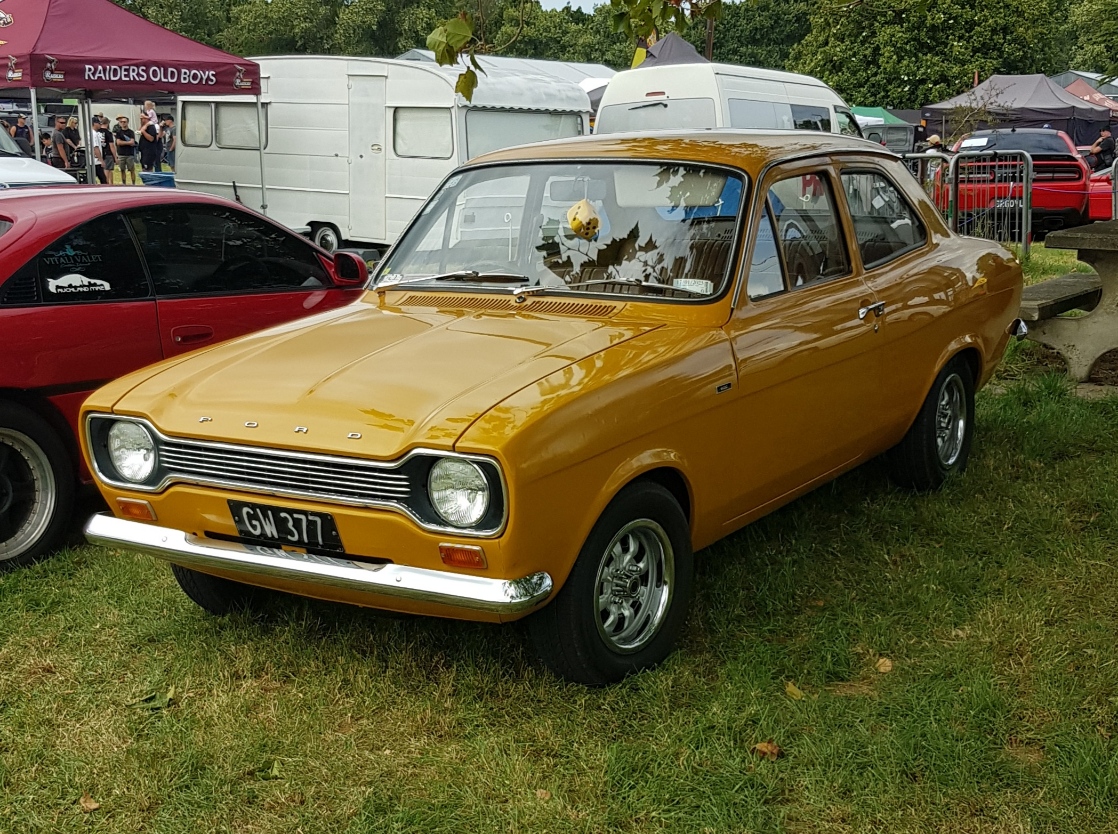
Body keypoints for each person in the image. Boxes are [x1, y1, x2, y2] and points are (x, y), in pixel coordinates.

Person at [114, 115, 137, 184]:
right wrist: (128, 142)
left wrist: (123, 142)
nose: (123, 123)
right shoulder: (118, 132)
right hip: (121, 153)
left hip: (130, 154)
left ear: (127, 123)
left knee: (132, 169)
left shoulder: (131, 132)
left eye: (124, 122)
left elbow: (132, 142)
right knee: (122, 169)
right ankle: (124, 183)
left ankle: (133, 183)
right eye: (121, 122)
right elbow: (118, 142)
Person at [97, 117, 117, 182]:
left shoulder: (97, 132)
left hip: (99, 153)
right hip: (108, 153)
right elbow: (112, 146)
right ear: (108, 123)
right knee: (108, 170)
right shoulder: (108, 133)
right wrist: (115, 157)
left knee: (102, 170)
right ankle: (107, 183)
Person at [89, 117, 108, 184]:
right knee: (103, 180)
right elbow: (95, 148)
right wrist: (101, 160)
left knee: (95, 179)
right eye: (99, 123)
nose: (100, 125)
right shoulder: (93, 134)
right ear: (94, 123)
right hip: (96, 161)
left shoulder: (90, 133)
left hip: (92, 161)